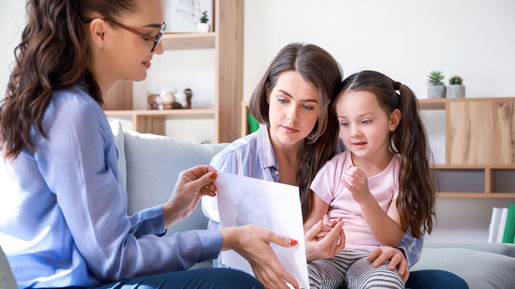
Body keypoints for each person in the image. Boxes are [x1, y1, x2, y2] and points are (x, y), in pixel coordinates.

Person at [0, 1, 300, 289]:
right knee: (236, 285)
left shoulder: (69, 107)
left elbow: (101, 242)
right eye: (148, 35)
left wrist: (169, 211)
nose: (159, 47)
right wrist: (227, 239)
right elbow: (112, 261)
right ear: (100, 32)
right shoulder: (73, 113)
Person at [202, 43, 414, 280]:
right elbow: (229, 262)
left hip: (358, 268)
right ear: (268, 93)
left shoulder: (343, 151)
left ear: (325, 109)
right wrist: (302, 254)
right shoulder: (232, 163)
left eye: (308, 106)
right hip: (274, 279)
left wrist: (398, 252)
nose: (292, 117)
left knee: (444, 281)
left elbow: (403, 224)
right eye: (283, 100)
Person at [304, 70, 435, 289]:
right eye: (345, 124)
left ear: (393, 120)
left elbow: (390, 239)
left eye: (365, 121)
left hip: (373, 257)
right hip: (329, 255)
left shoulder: (402, 172)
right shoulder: (333, 168)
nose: (354, 133)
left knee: (387, 282)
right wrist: (321, 231)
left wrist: (364, 197)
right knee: (300, 279)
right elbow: (309, 226)